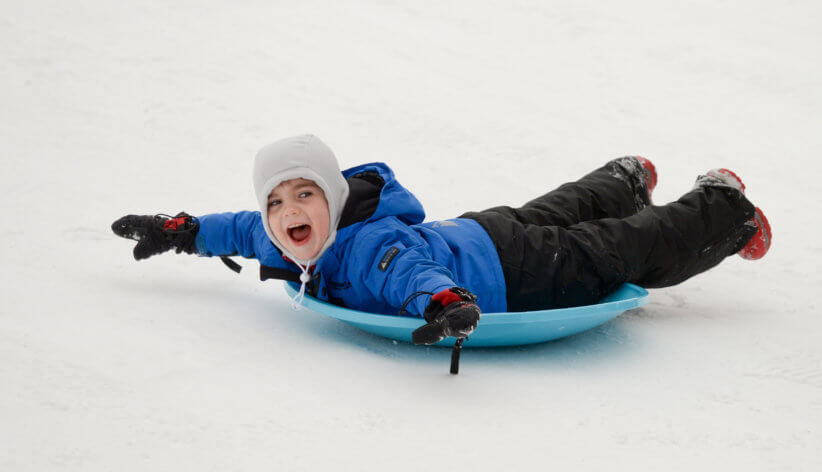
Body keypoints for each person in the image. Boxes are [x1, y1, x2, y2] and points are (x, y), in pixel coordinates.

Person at [111, 134, 771, 346]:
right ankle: (622, 178)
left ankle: (722, 208)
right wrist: (183, 231)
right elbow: (240, 229)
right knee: (561, 209)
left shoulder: (367, 249)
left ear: (335, 202)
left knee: (620, 248)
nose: (288, 212)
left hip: (513, 272)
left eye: (305, 193)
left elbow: (407, 274)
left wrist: (444, 301)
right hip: (478, 229)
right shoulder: (287, 237)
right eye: (278, 201)